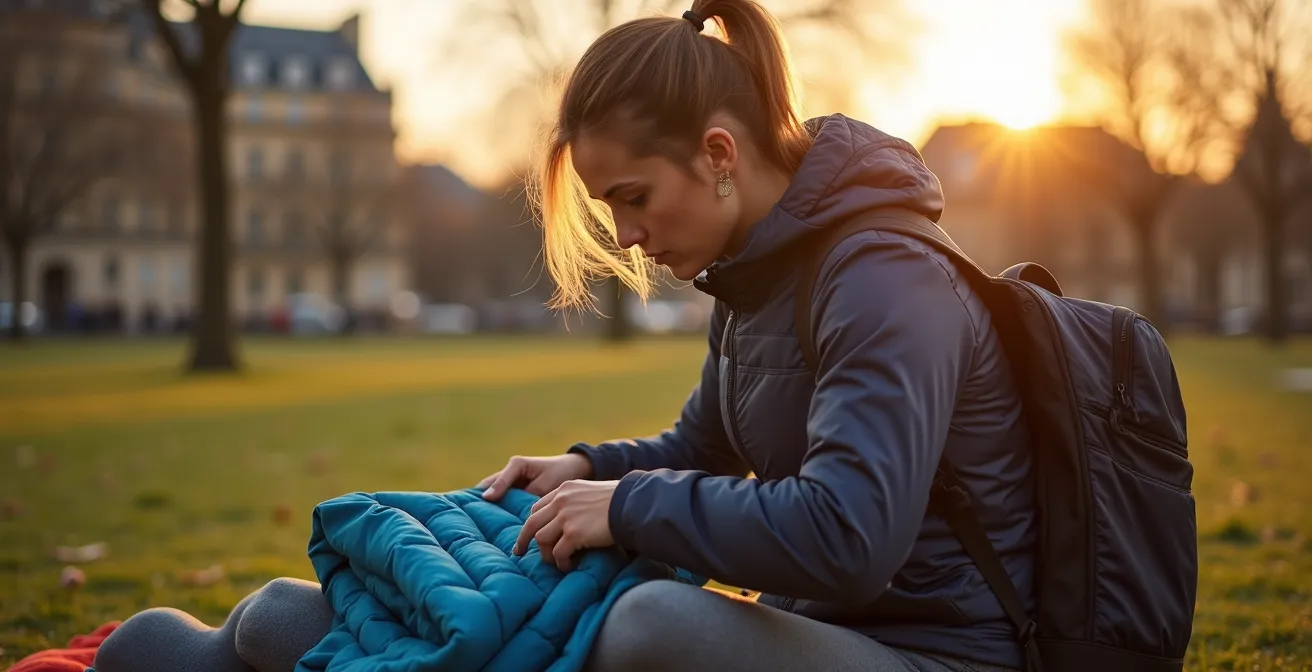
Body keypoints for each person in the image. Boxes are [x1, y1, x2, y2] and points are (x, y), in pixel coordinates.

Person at [476, 1, 1036, 670]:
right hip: (828, 632)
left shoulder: (885, 278)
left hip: (943, 651)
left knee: (651, 623)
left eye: (636, 197)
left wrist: (626, 505)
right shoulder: (754, 276)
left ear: (719, 154)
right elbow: (704, 446)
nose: (624, 236)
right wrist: (589, 470)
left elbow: (848, 537)